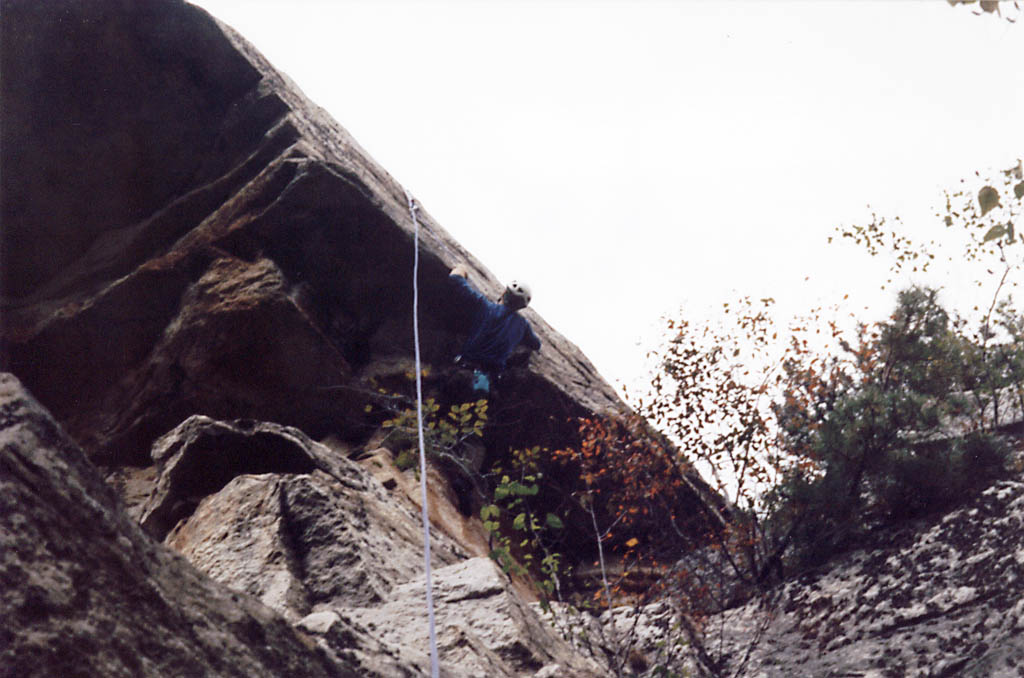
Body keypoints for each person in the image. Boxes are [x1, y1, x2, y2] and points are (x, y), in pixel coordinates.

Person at [448, 264, 541, 394]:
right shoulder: (523, 326)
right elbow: (536, 344)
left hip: (463, 372)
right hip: (487, 384)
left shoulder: (485, 307)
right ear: (522, 306)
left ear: (504, 293)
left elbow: (455, 280)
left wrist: (461, 268)